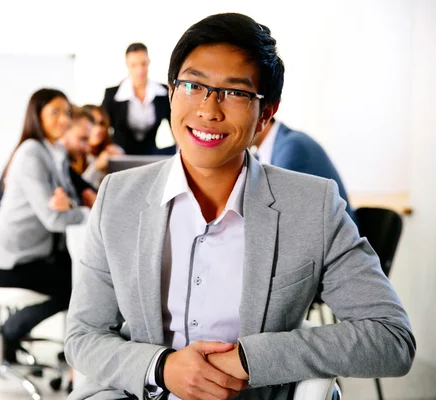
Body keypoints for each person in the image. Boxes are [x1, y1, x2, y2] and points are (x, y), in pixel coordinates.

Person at [65, 13, 415, 400]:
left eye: (235, 92)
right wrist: (162, 367)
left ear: (266, 113)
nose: (209, 110)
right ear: (171, 91)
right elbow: (83, 336)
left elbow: (392, 336)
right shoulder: (118, 196)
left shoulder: (311, 206)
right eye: (193, 85)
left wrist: (250, 360)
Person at [0, 88, 91, 362]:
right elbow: (52, 218)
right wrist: (85, 212)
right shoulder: (31, 153)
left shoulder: (55, 151)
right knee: (79, 285)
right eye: (55, 112)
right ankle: (8, 332)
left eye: (66, 113)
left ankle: (11, 334)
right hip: (5, 264)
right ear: (36, 115)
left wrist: (72, 207)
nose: (63, 119)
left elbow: (67, 202)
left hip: (33, 255)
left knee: (90, 277)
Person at [251, 117, 358, 225]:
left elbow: (278, 219)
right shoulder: (265, 152)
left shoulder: (292, 148)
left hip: (332, 237)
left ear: (264, 115)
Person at [102, 43, 171, 155]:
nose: (140, 70)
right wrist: (108, 148)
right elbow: (102, 128)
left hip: (151, 155)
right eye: (134, 65)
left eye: (143, 64)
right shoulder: (112, 95)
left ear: (149, 62)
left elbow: (175, 125)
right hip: (120, 156)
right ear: (127, 65)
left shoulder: (163, 93)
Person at [81, 104, 125, 189]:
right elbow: (77, 189)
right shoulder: (74, 153)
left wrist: (120, 164)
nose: (98, 129)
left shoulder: (114, 151)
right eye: (93, 123)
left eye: (101, 124)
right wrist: (96, 167)